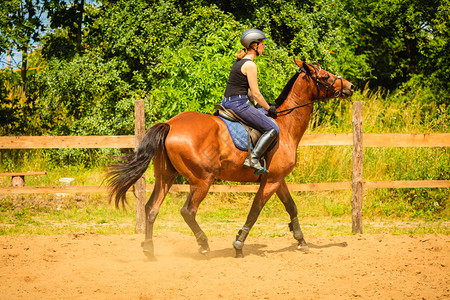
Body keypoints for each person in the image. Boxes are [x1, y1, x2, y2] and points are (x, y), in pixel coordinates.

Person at [222, 28, 279, 175]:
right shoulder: (250, 65)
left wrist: (260, 107)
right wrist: (269, 108)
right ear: (254, 46)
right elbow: (256, 93)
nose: (263, 46)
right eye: (261, 44)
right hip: (238, 104)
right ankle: (253, 158)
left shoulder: (239, 62)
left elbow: (246, 90)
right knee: (273, 128)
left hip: (228, 102)